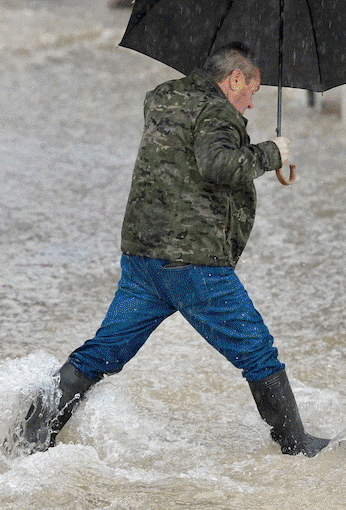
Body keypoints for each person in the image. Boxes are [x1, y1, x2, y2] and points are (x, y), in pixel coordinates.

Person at [17, 43, 329, 457]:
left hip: (143, 256)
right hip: (192, 262)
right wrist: (271, 153)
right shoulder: (218, 111)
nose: (252, 102)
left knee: (104, 352)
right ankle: (295, 444)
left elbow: (184, 158)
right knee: (257, 351)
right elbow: (216, 164)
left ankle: (30, 434)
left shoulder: (164, 96)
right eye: (252, 89)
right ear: (234, 78)